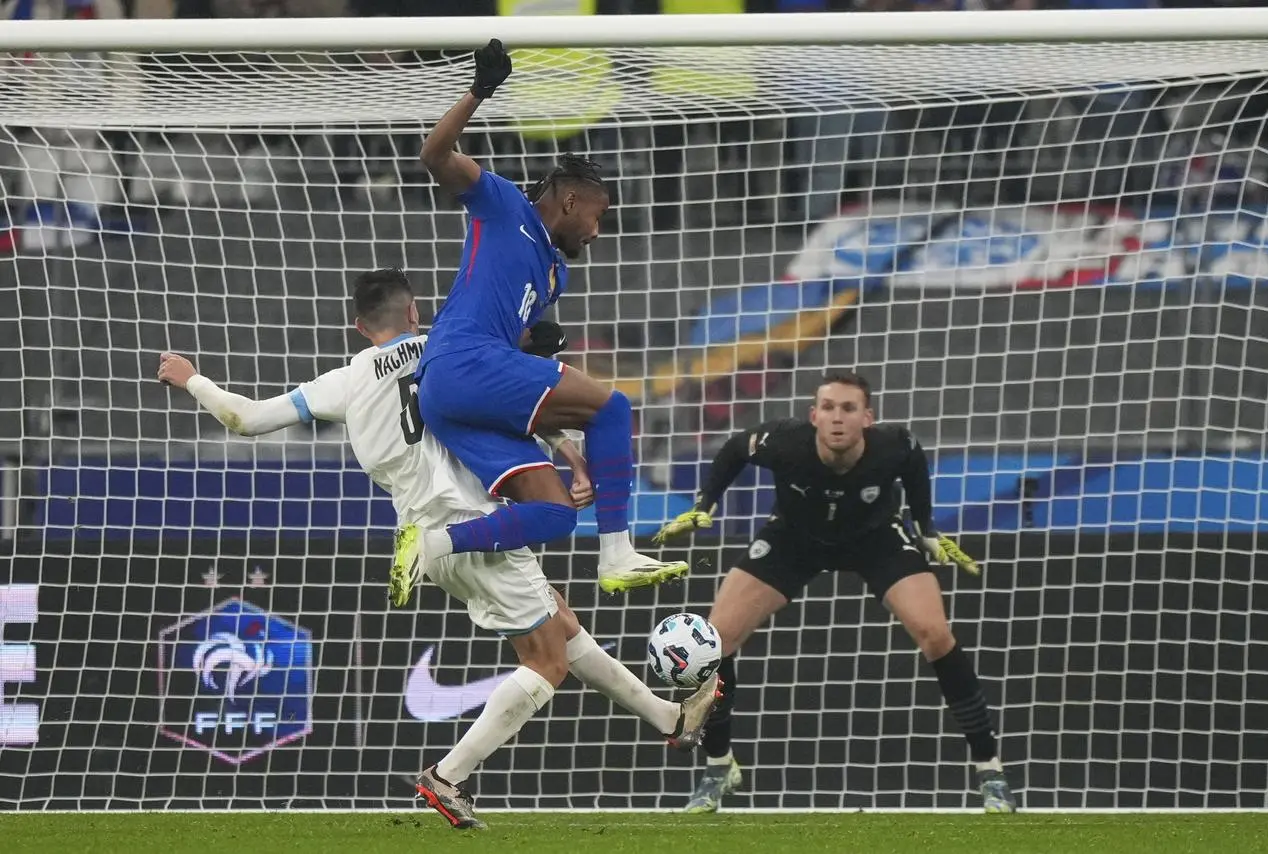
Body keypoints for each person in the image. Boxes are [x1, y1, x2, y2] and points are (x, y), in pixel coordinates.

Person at [156, 267, 720, 830]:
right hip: (479, 524)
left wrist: (192, 380)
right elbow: (517, 399)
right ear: (414, 312)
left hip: (426, 535)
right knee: (546, 662)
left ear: (359, 326)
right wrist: (571, 455)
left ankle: (669, 718)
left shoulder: (345, 381)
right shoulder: (445, 350)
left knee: (560, 623)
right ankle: (448, 776)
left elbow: (245, 418)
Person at [398, 38, 688, 605]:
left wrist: (576, 457)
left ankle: (433, 544)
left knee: (554, 513)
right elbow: (433, 155)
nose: (598, 233)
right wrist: (480, 91)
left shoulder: (557, 276)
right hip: (460, 361)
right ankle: (617, 553)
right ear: (574, 201)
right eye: (599, 217)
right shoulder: (503, 205)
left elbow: (527, 383)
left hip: (458, 398)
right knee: (615, 405)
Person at [654, 370, 1017, 814]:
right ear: (814, 416)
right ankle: (719, 766)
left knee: (935, 634)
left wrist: (925, 530)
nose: (837, 418)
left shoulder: (893, 445)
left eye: (848, 409)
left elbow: (914, 464)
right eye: (828, 408)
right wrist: (705, 503)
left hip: (875, 539)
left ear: (867, 417)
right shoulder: (784, 441)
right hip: (793, 540)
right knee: (714, 642)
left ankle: (990, 770)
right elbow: (733, 449)